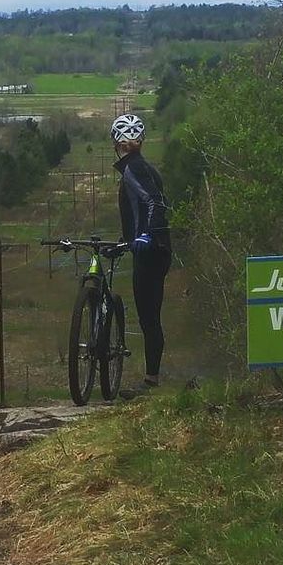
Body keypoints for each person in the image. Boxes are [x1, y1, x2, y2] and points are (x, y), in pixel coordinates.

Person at [110, 113, 172, 397]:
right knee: (151, 315)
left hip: (151, 249)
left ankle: (150, 382)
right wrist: (127, 240)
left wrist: (147, 234)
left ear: (116, 144)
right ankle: (152, 379)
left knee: (148, 317)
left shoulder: (133, 168)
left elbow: (153, 202)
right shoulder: (142, 166)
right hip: (154, 248)